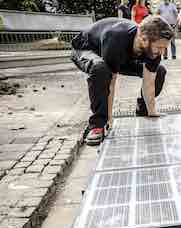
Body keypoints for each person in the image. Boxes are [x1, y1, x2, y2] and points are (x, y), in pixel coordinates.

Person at [71, 16, 174, 146]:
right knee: (101, 70)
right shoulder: (116, 38)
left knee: (160, 70)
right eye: (159, 47)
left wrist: (152, 111)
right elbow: (110, 84)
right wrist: (108, 119)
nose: (162, 52)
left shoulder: (153, 50)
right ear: (143, 39)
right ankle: (97, 125)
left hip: (123, 57)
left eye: (164, 48)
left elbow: (149, 82)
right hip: (86, 48)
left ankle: (142, 110)